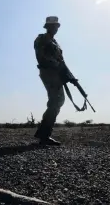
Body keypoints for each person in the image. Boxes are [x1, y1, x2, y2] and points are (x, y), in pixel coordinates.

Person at [33, 16, 69, 146]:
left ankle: (44, 133)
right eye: (53, 26)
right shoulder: (41, 39)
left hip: (57, 74)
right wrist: (56, 65)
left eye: (57, 26)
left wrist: (68, 75)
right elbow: (41, 57)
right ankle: (44, 136)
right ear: (47, 27)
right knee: (55, 101)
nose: (55, 28)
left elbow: (61, 61)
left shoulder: (56, 43)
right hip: (48, 72)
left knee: (58, 101)